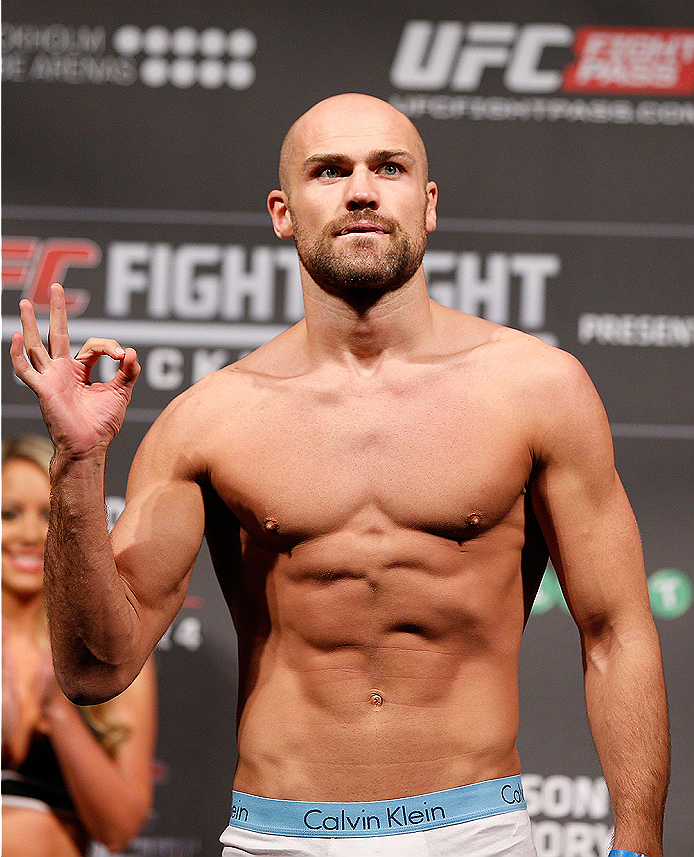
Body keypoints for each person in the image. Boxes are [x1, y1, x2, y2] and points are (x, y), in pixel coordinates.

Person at [10, 93, 668, 857]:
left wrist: (638, 841)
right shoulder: (210, 419)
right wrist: (77, 464)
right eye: (330, 170)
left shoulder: (538, 389)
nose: (361, 189)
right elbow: (95, 668)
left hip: (476, 833)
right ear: (283, 212)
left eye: (388, 167)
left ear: (427, 205)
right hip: (278, 837)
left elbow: (617, 631)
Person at [1, 434, 157, 857]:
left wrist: (57, 707)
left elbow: (119, 829)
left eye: (50, 515)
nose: (30, 534)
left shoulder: (110, 651)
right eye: (9, 514)